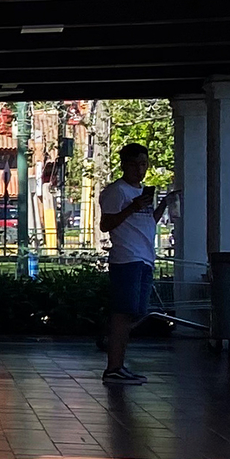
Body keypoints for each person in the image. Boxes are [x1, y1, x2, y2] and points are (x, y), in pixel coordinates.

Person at [99, 143, 160, 384]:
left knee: (135, 312)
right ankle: (113, 365)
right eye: (134, 164)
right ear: (124, 165)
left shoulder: (143, 192)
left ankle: (119, 363)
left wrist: (161, 207)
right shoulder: (118, 191)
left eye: (143, 164)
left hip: (145, 257)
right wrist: (132, 208)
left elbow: (145, 222)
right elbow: (107, 224)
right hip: (127, 257)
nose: (139, 169)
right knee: (122, 313)